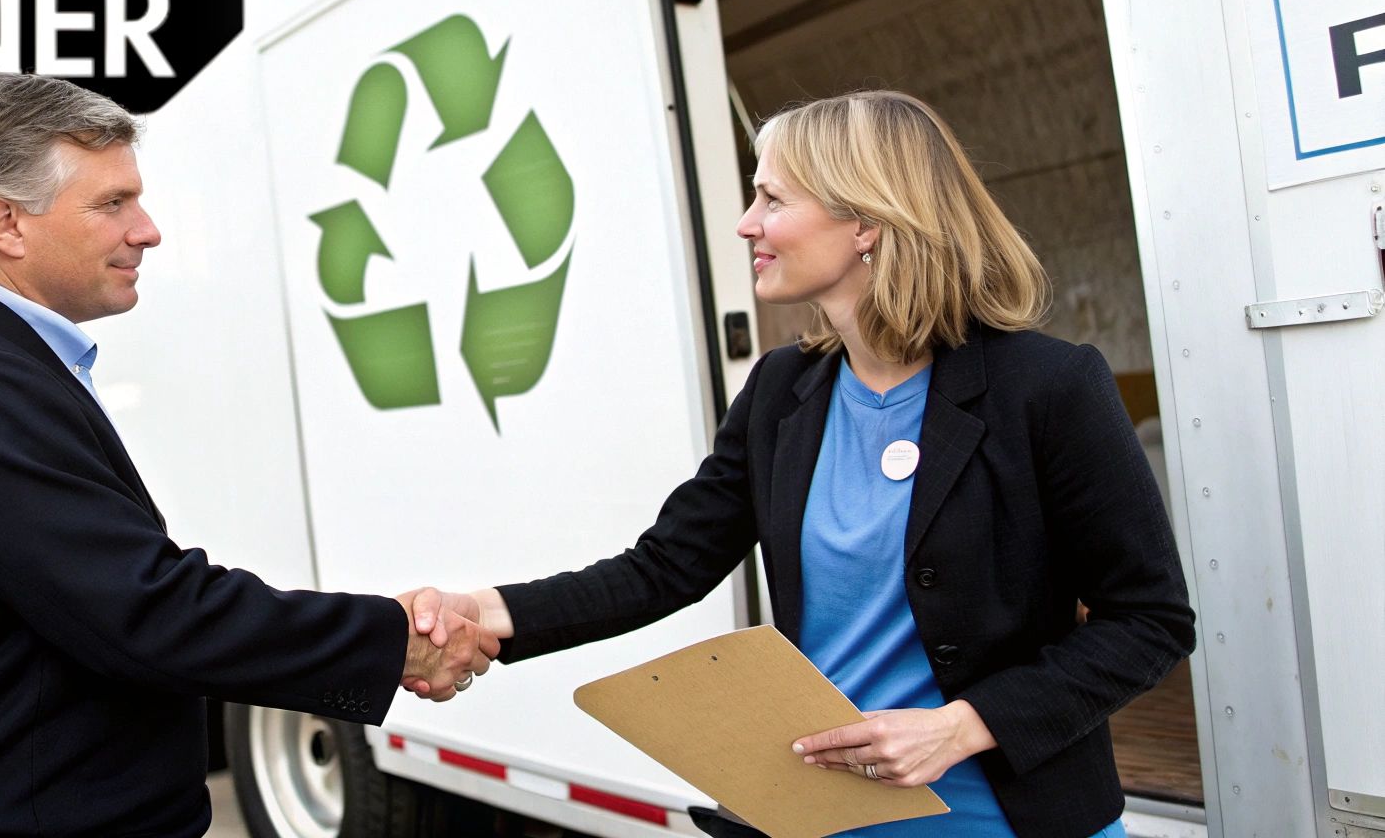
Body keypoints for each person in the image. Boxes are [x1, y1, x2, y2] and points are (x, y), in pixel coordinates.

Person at [410, 91, 1196, 837]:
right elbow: (664, 568)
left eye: (772, 200)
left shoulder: (1047, 387)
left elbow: (1149, 620)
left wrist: (965, 726)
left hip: (1012, 819)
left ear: (867, 223)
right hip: (824, 819)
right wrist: (480, 610)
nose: (747, 225)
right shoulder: (783, 391)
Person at [0, 72, 494, 838]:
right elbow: (149, 614)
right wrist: (394, 642)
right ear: (5, 224)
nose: (146, 230)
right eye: (113, 203)